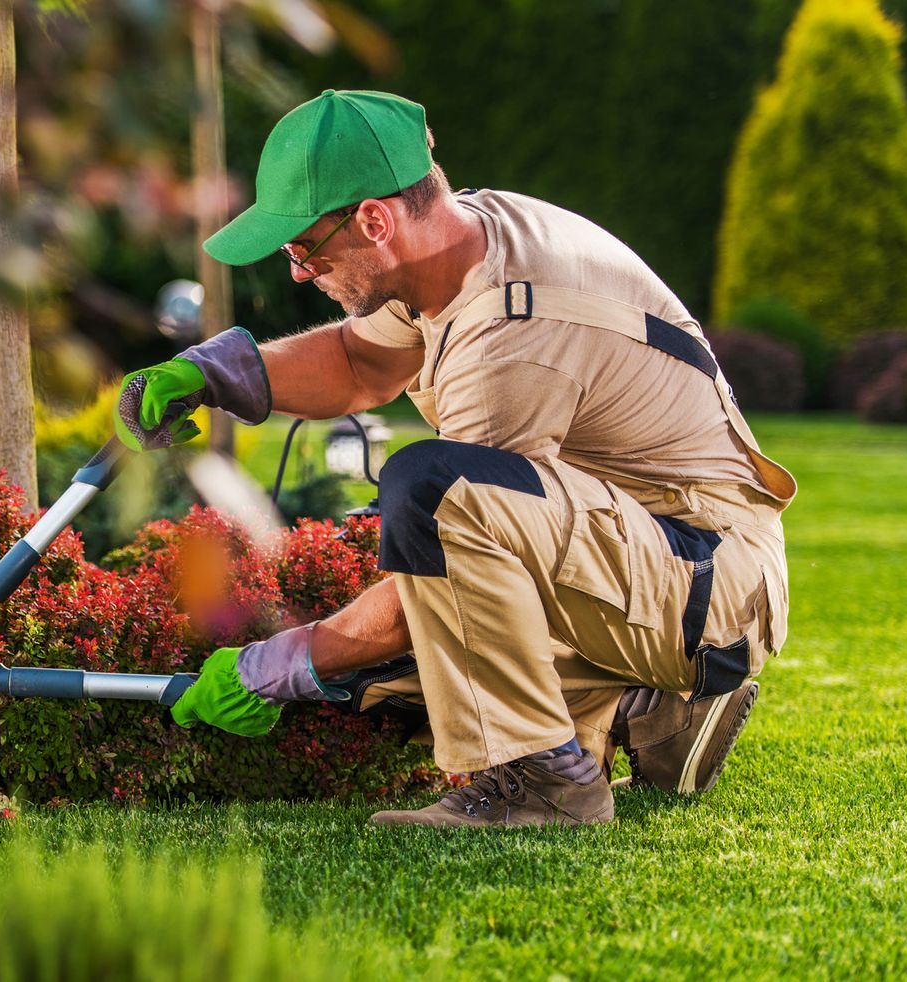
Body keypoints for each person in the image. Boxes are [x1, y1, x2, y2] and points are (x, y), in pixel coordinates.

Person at [116, 90, 795, 827]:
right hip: (656, 549)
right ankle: (651, 711)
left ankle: (548, 781)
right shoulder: (459, 241)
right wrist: (215, 374)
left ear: (375, 219)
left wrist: (274, 667)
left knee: (427, 504)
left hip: (707, 581)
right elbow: (358, 363)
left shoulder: (512, 332)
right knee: (401, 672)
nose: (299, 275)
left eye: (303, 248)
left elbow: (442, 561)